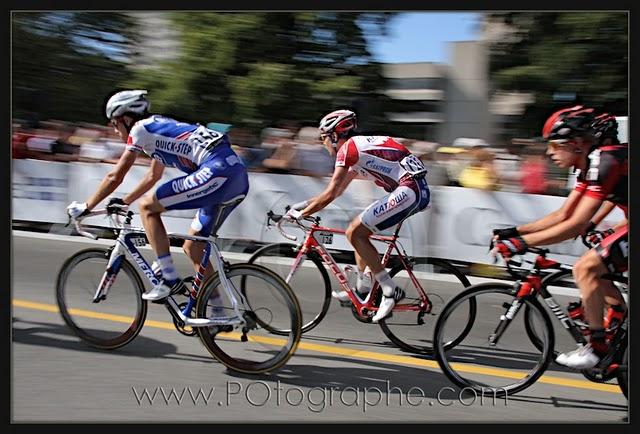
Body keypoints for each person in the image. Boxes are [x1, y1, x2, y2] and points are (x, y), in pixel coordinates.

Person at [66, 90, 249, 301]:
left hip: (217, 172)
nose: (115, 131)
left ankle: (169, 279)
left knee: (147, 208)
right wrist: (125, 202)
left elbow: (115, 176)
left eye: (115, 125)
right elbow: (153, 176)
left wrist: (86, 207)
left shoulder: (139, 130)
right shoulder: (158, 128)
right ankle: (216, 312)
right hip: (236, 176)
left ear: (126, 119)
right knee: (194, 248)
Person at [491, 105, 628, 369]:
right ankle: (617, 319)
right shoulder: (589, 163)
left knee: (586, 267)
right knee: (597, 266)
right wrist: (515, 232)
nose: (549, 152)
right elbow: (564, 214)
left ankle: (597, 348)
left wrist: (521, 243)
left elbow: (575, 225)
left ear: (576, 143)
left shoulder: (605, 160)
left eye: (555, 145)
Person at [283, 109, 431, 322]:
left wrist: (301, 215)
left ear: (334, 135)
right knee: (359, 231)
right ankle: (363, 289)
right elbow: (338, 190)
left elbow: (331, 193)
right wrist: (300, 206)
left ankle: (390, 291)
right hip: (413, 190)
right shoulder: (358, 148)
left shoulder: (348, 150)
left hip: (409, 190)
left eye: (324, 138)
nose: (323, 144)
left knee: (355, 233)